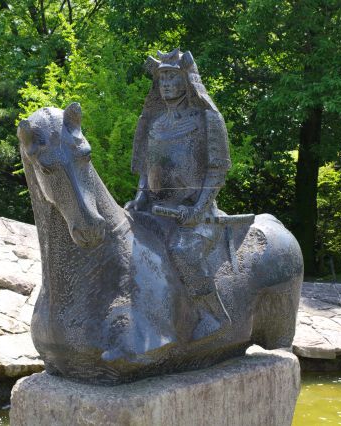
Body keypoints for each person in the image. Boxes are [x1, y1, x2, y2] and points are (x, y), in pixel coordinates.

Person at [126, 49, 232, 335]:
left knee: (184, 253)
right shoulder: (155, 123)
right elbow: (148, 167)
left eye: (173, 77)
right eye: (163, 78)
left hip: (194, 213)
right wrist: (140, 196)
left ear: (187, 80)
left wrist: (197, 209)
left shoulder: (208, 120)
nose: (167, 84)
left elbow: (217, 169)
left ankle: (213, 316)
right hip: (153, 210)